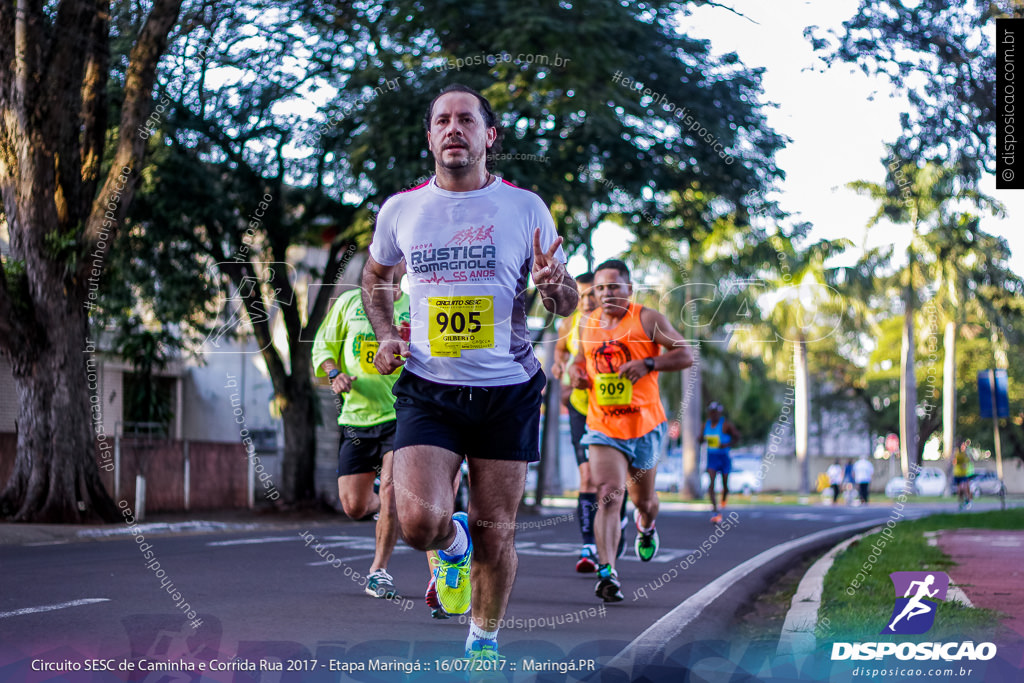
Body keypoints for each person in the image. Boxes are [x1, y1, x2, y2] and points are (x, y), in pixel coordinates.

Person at [360, 83, 577, 664]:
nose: (453, 129)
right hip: (429, 387)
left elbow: (565, 299)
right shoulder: (401, 209)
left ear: (488, 136)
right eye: (442, 121)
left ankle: (482, 643)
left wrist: (557, 288)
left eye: (466, 120)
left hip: (506, 388)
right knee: (418, 525)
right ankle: (449, 547)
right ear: (430, 136)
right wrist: (386, 335)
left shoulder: (525, 206)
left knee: (496, 527)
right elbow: (375, 279)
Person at [570, 259, 693, 602]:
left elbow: (685, 354)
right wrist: (579, 375)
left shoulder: (647, 319)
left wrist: (649, 363)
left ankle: (647, 524)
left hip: (644, 426)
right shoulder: (586, 324)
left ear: (629, 289)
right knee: (608, 493)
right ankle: (607, 572)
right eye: (600, 288)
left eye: (613, 286)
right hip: (602, 425)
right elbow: (582, 364)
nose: (606, 293)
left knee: (645, 501)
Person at [312, 262, 409, 601]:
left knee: (392, 495)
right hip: (355, 418)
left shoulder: (414, 307)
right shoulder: (348, 304)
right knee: (353, 506)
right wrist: (334, 373)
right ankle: (389, 510)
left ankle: (378, 572)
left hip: (400, 414)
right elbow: (322, 346)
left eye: (398, 260)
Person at [551, 272, 628, 572]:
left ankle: (617, 517)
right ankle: (588, 546)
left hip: (610, 410)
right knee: (587, 479)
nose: (585, 301)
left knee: (609, 484)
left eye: (590, 295)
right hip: (580, 408)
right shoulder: (569, 324)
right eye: (580, 296)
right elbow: (561, 352)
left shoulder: (612, 324)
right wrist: (560, 365)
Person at [699, 401, 741, 524]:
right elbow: (700, 439)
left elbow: (737, 436)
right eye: (711, 413)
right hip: (712, 457)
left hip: (724, 457)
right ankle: (715, 511)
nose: (713, 415)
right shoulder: (705, 425)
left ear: (719, 413)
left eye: (715, 413)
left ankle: (723, 498)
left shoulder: (726, 425)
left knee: (725, 484)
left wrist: (727, 444)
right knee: (711, 483)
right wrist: (701, 439)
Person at [953, 441, 975, 511]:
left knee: (965, 488)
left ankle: (969, 500)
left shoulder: (966, 454)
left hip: (966, 474)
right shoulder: (956, 453)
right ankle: (961, 502)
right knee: (959, 491)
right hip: (957, 474)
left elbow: (971, 460)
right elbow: (953, 462)